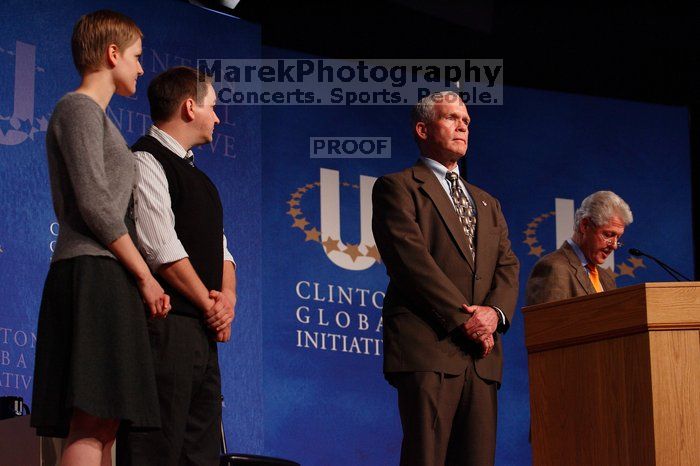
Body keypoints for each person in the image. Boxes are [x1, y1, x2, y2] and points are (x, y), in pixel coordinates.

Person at [30, 10, 170, 466]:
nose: (141, 67)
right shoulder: (78, 108)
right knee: (90, 422)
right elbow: (93, 202)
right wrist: (145, 276)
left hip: (109, 276)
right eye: (136, 56)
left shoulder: (101, 119)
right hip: (90, 273)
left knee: (106, 423)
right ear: (112, 54)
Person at [372, 91, 520, 466]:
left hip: (481, 357)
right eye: (452, 118)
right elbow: (411, 263)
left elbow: (507, 266)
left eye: (466, 121)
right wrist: (465, 319)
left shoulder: (488, 202)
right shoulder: (398, 187)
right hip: (430, 346)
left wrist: (494, 315)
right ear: (422, 129)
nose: (462, 127)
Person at [116, 66, 236, 466]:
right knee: (157, 448)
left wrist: (228, 300)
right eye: (212, 108)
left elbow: (223, 252)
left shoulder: (203, 180)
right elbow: (161, 249)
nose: (217, 118)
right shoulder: (146, 160)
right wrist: (211, 305)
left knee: (200, 454)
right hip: (164, 331)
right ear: (189, 107)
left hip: (202, 334)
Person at [525, 190, 633, 305]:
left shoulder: (607, 279)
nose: (614, 245)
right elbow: (545, 322)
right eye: (608, 235)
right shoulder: (555, 268)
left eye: (618, 238)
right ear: (585, 225)